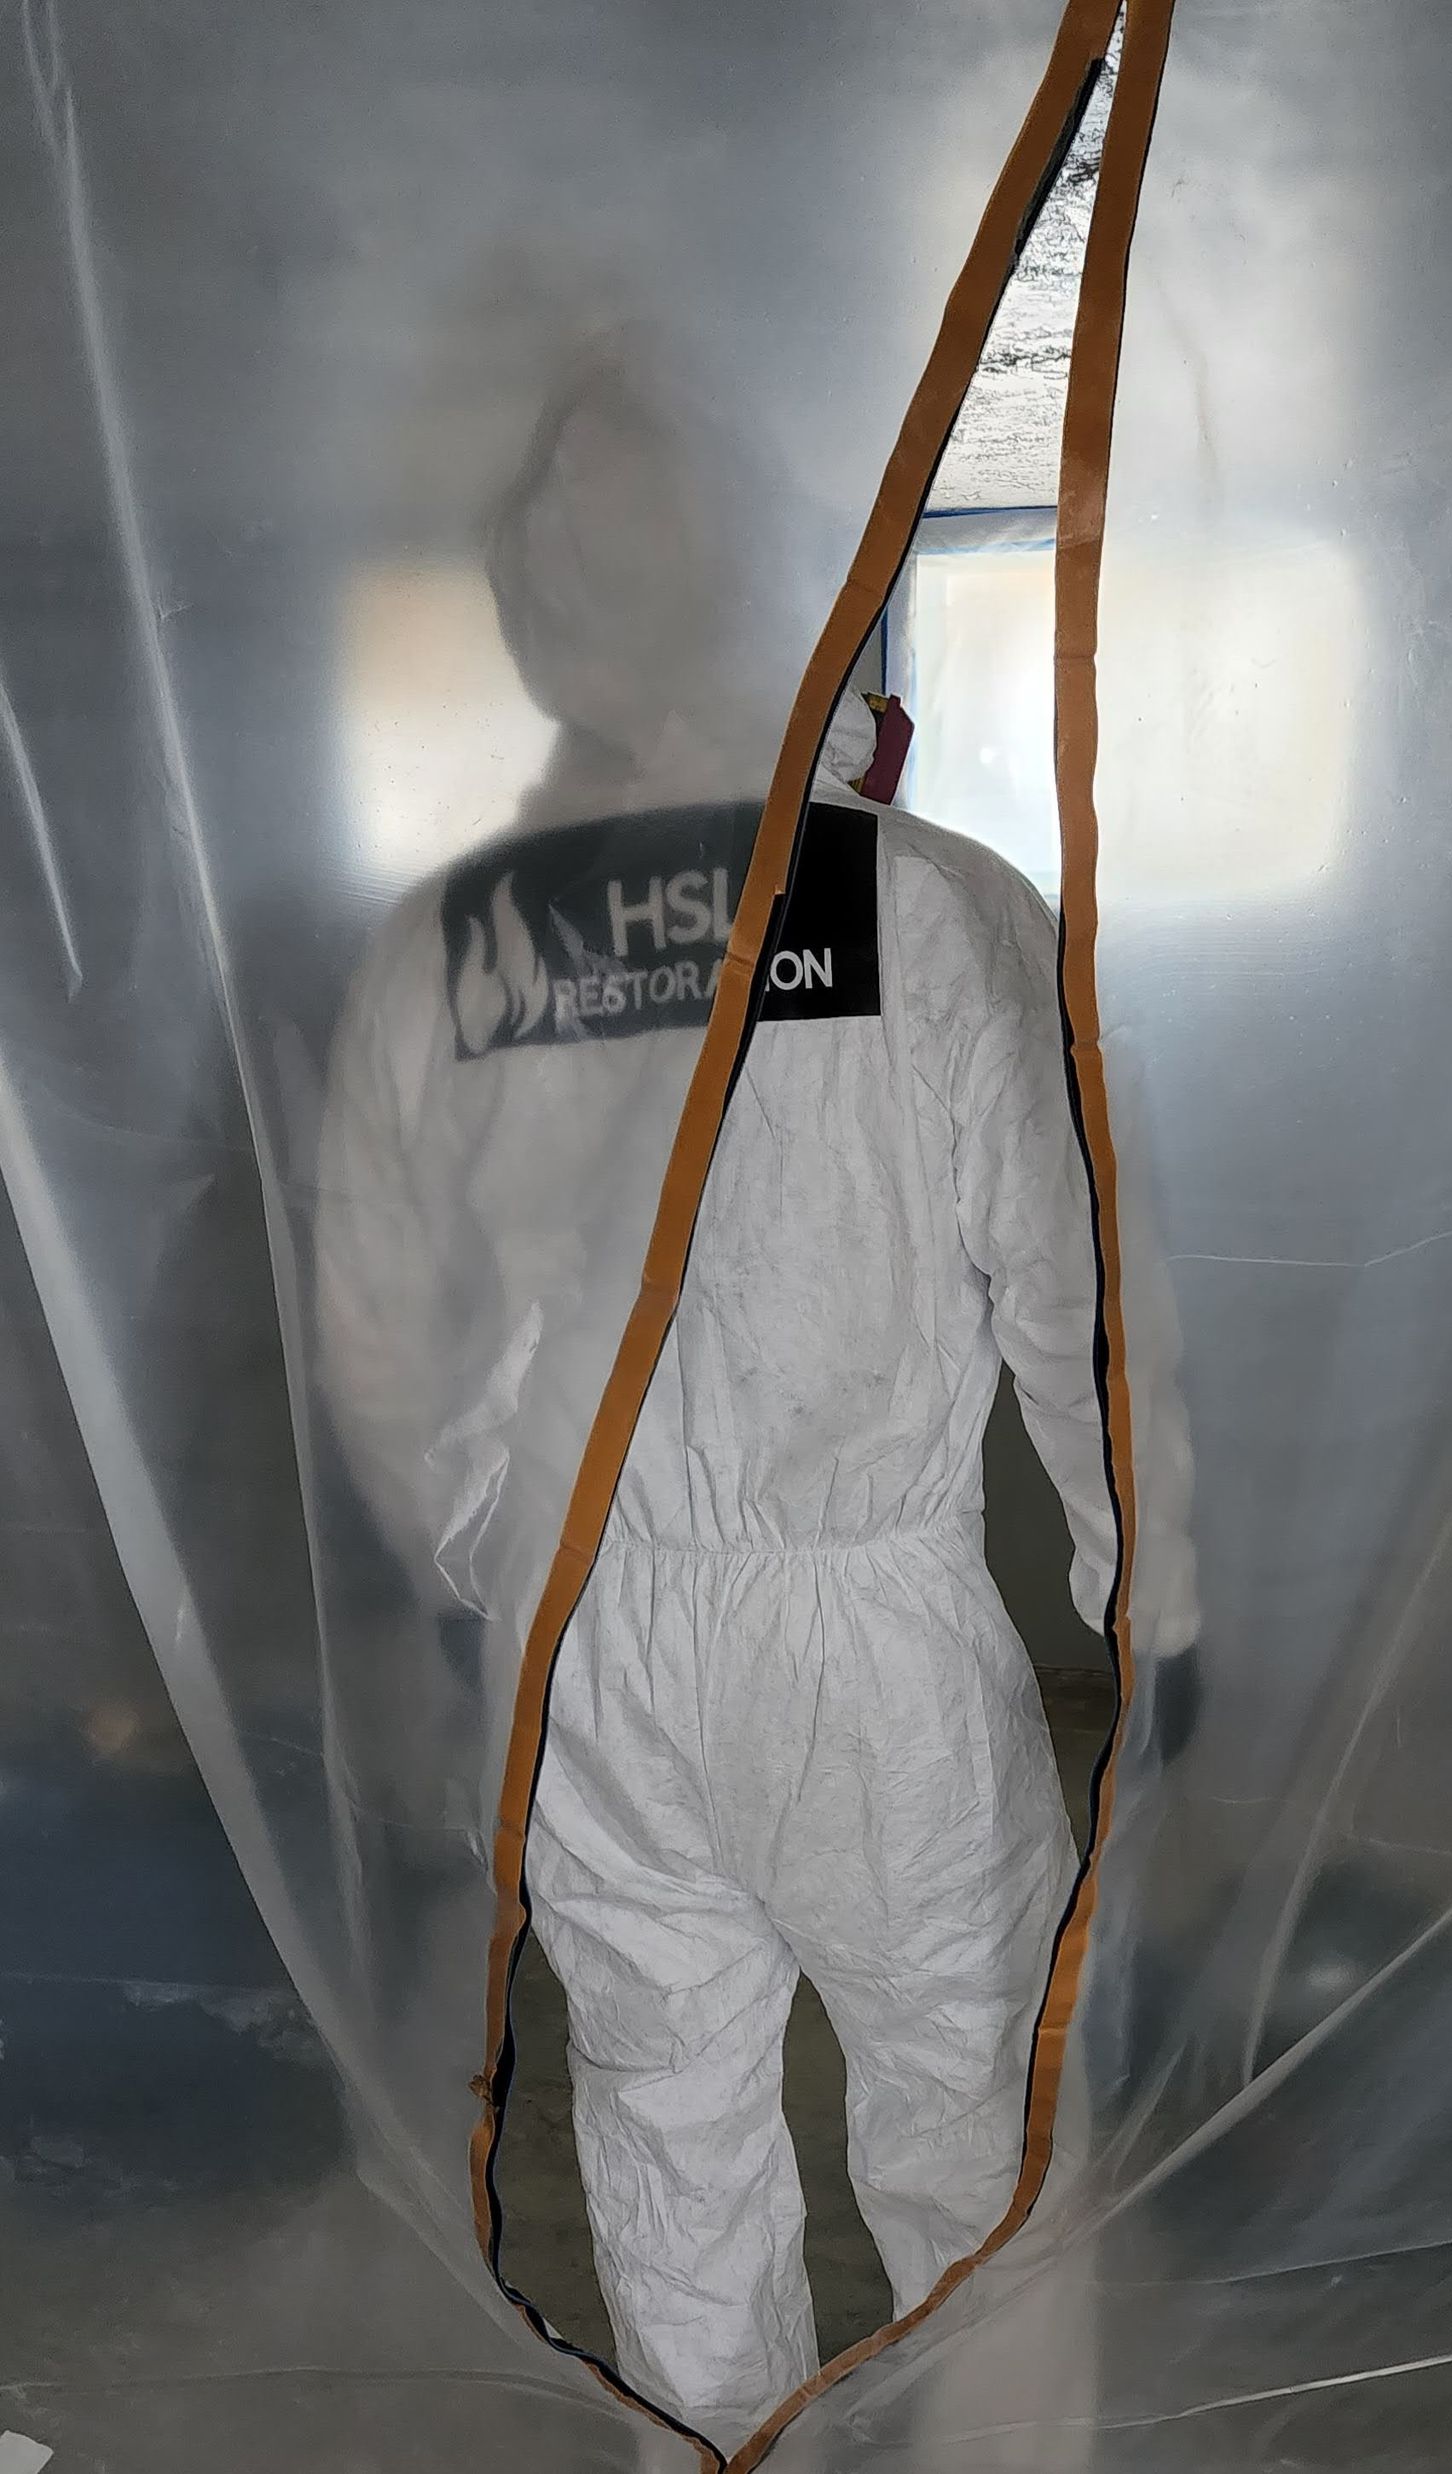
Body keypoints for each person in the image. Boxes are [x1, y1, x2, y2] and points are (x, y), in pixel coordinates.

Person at [314, 343, 1197, 2454]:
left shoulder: (462, 944)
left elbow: (376, 1315)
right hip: (873, 1636)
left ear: (543, 615)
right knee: (967, 2111)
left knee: (667, 2117)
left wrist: (495, 1547)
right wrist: (1145, 1596)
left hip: (592, 1639)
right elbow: (1090, 1303)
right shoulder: (945, 910)